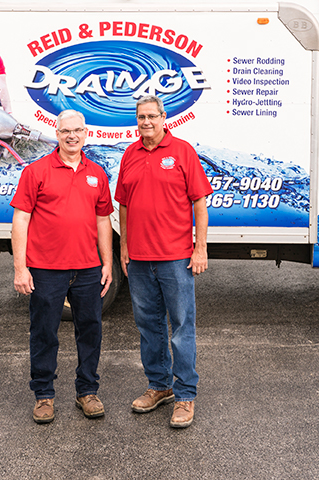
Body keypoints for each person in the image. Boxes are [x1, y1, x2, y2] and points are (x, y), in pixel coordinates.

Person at [114, 95, 213, 428]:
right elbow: (123, 206)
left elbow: (199, 203)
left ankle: (185, 396)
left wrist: (200, 248)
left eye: (151, 116)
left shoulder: (182, 151)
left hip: (176, 259)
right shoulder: (129, 154)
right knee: (149, 327)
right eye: (141, 117)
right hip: (140, 259)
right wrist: (125, 247)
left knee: (182, 328)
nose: (146, 122)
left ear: (163, 117)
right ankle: (159, 386)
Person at [10, 109, 113, 424]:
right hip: (45, 269)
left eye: (77, 131)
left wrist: (107, 261)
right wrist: (20, 268)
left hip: (87, 270)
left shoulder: (97, 173)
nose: (72, 136)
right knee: (44, 332)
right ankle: (44, 395)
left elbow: (103, 220)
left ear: (86, 134)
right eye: (66, 131)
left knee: (90, 330)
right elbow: (21, 220)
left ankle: (87, 391)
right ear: (57, 134)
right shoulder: (36, 172)